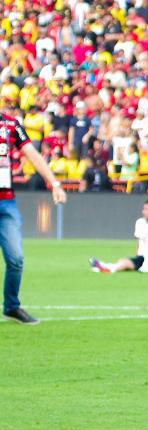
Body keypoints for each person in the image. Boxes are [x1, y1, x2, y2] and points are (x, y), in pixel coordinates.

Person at [0, 111, 67, 324]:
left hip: (6, 202)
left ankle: (11, 307)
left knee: (16, 259)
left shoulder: (10, 124)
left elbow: (33, 155)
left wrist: (54, 184)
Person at [89, 199, 148, 274]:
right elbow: (138, 244)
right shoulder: (140, 222)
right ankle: (107, 267)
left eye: (146, 209)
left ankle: (146, 267)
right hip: (143, 258)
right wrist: (137, 259)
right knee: (123, 261)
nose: (143, 211)